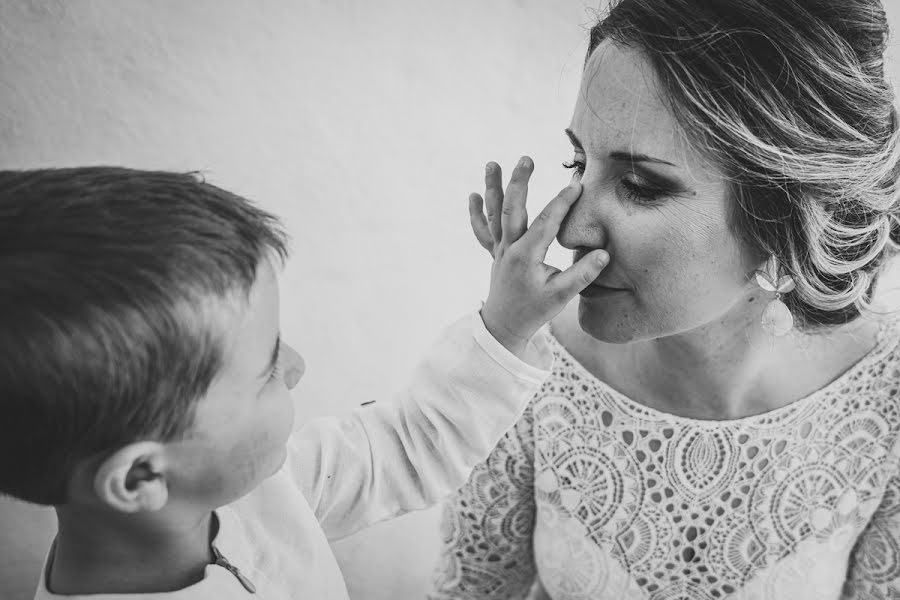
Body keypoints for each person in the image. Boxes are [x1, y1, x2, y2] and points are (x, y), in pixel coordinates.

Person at [430, 0, 900, 598]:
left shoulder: (887, 402)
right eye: (578, 161)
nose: (569, 231)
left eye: (640, 185)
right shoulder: (521, 376)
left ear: (785, 226)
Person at [0, 165, 609, 599]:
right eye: (266, 366)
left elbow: (409, 445)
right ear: (141, 477)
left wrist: (505, 323)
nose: (296, 366)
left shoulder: (254, 493)